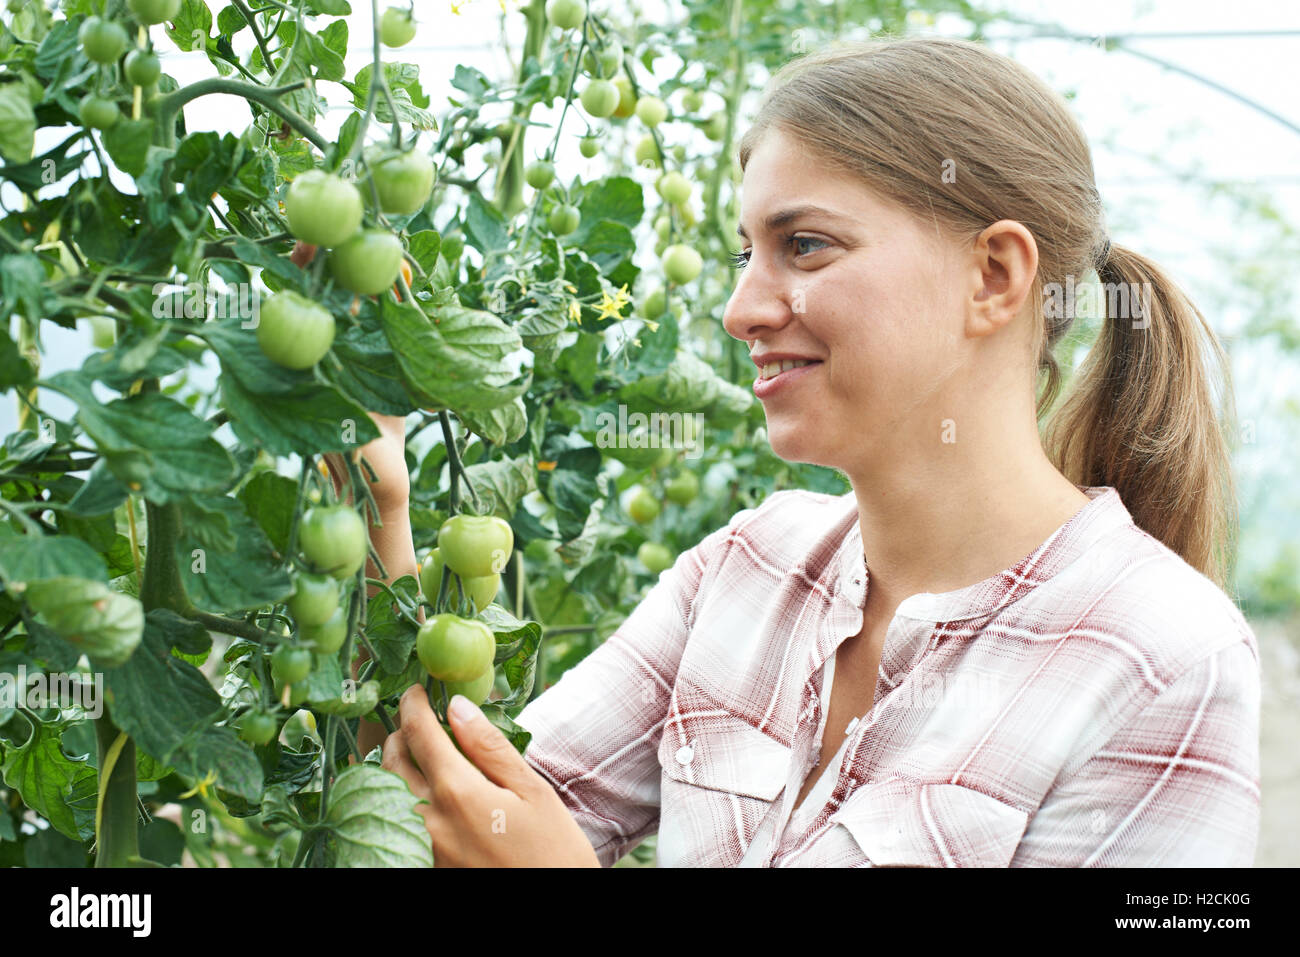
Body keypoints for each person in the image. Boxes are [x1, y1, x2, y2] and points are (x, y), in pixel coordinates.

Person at [362, 35, 1260, 867]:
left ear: (993, 276)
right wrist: (379, 502)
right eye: (747, 251)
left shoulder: (1165, 659)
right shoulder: (746, 569)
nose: (741, 308)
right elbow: (456, 811)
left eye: (805, 246)